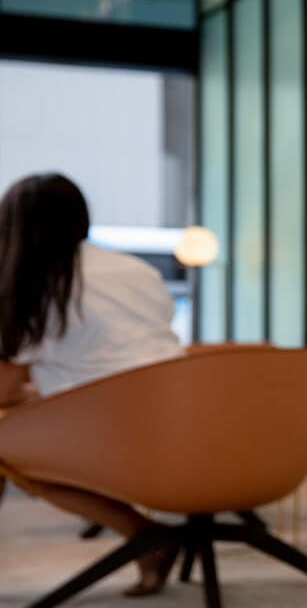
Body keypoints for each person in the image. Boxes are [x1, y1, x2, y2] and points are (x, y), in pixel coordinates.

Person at [0, 172, 184, 596]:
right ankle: (147, 540)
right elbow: (124, 354)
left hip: (112, 440)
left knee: (9, 448)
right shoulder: (137, 270)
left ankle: (143, 534)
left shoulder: (39, 284)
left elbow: (5, 391)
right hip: (187, 429)